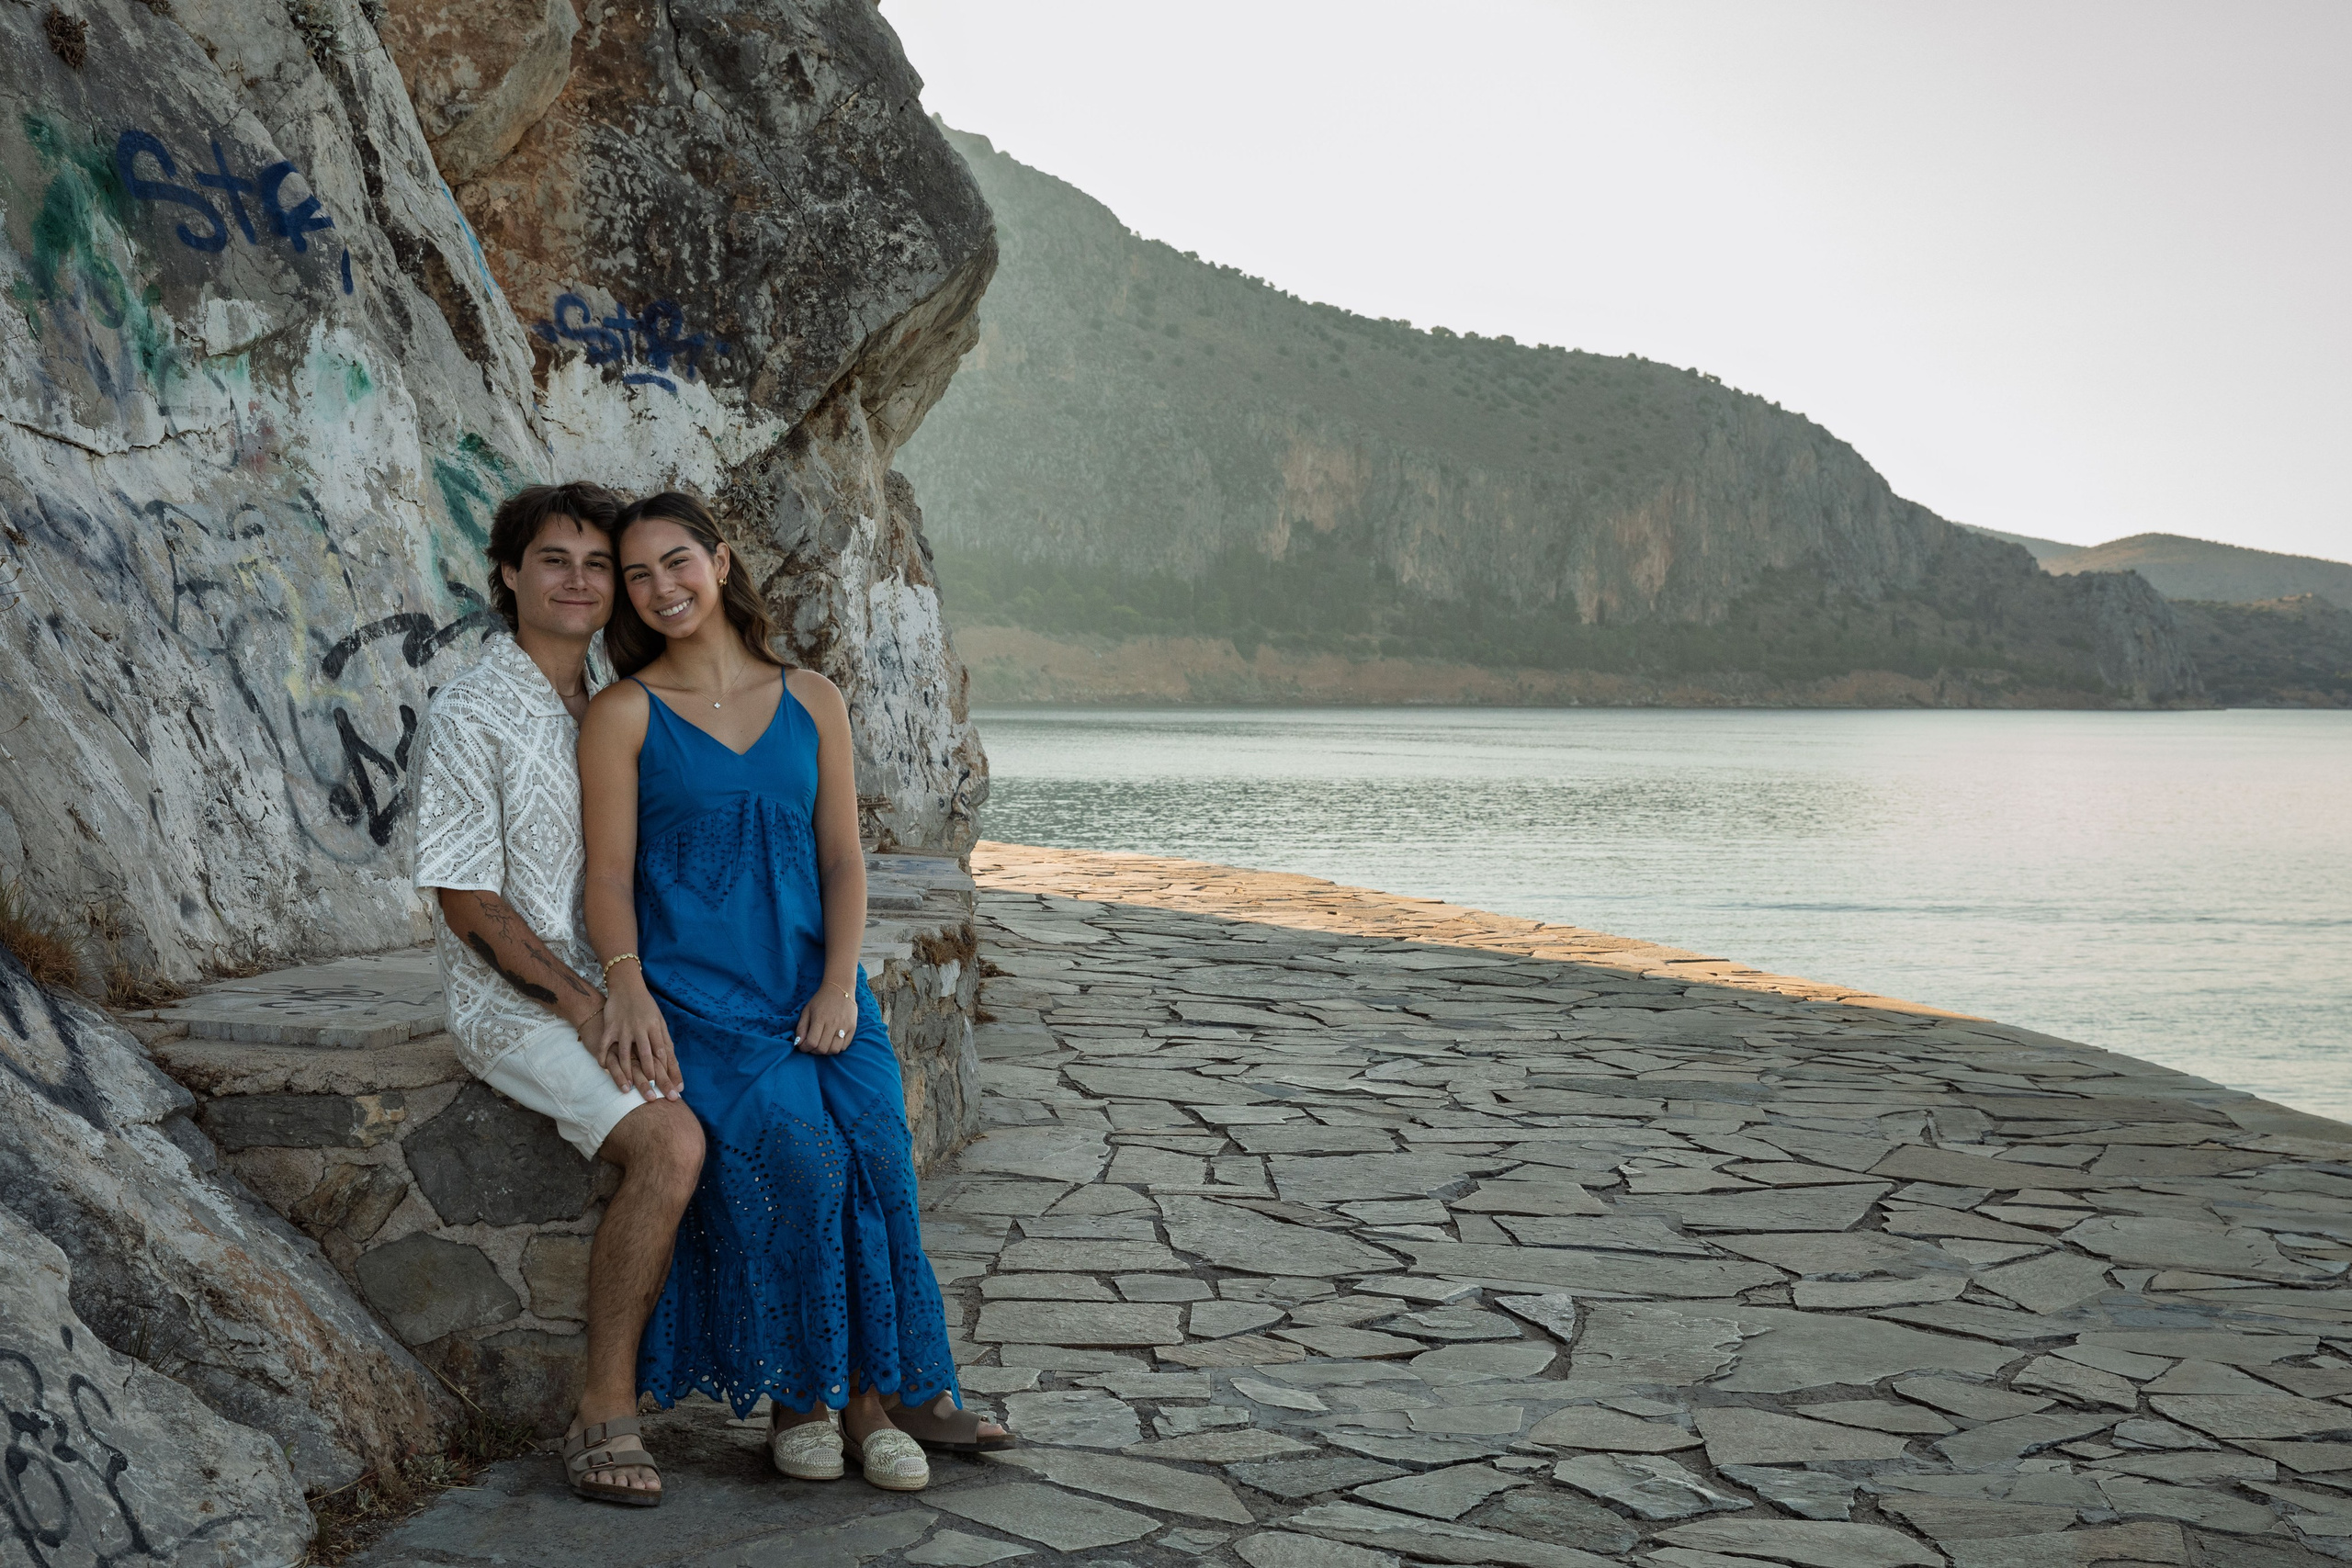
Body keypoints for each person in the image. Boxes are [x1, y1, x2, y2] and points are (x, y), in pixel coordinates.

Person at [577, 491, 1010, 1494]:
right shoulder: (624, 712)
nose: (660, 587)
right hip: (703, 998)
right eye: (637, 576)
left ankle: (893, 1392)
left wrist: (838, 987)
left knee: (881, 1155)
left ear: (720, 562)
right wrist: (627, 985)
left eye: (676, 561)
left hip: (816, 985)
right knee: (803, 1162)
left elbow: (845, 861)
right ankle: (808, 1400)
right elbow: (606, 876)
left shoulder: (812, 698)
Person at [411, 482, 706, 1508]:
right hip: (520, 1004)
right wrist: (587, 1005)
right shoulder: (471, 710)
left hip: (634, 982)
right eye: (553, 560)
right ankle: (603, 1407)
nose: (578, 581)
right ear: (508, 573)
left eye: (596, 564)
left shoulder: (619, 692)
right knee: (670, 1143)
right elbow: (467, 901)